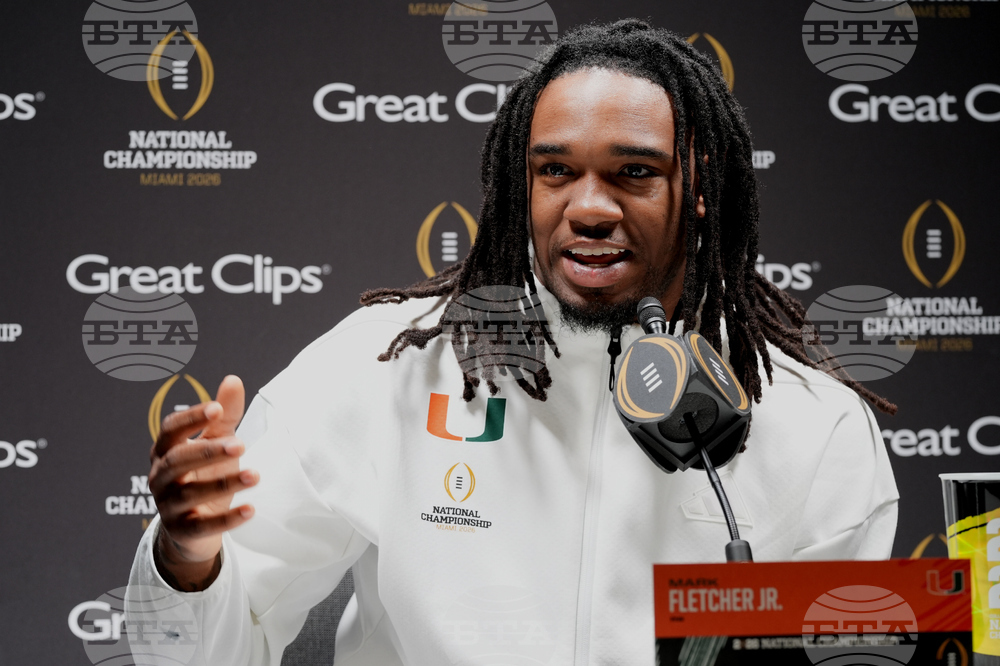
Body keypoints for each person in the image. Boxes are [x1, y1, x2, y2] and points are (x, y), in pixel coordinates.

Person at [129, 20, 898, 665]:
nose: (587, 207)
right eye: (555, 170)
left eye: (633, 172)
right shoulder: (384, 369)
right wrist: (188, 559)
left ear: (699, 187)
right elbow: (199, 652)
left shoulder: (814, 428)